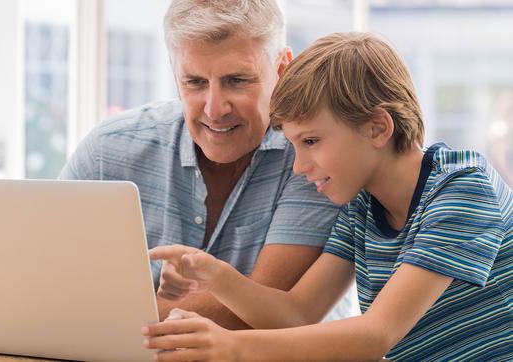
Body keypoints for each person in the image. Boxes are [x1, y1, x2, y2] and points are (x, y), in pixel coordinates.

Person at [0, 0, 358, 351]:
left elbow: (259, 310)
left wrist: (51, 312)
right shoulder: (111, 150)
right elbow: (28, 276)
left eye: (237, 81)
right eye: (194, 82)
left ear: (281, 68)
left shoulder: (314, 157)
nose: (214, 108)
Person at [144, 32, 512, 361]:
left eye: (311, 142)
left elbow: (376, 335)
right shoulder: (363, 206)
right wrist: (216, 277)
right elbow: (299, 313)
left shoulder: (463, 188)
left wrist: (234, 347)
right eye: (294, 145)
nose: (298, 167)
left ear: (377, 127)